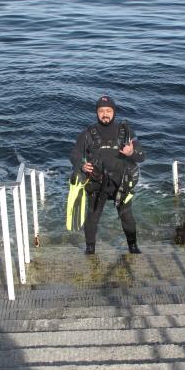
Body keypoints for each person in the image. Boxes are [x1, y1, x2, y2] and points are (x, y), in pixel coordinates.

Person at [70, 95, 145, 254]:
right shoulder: (87, 133)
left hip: (121, 183)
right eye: (101, 111)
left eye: (108, 110)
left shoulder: (126, 132)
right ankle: (90, 249)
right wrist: (81, 165)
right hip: (97, 183)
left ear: (114, 112)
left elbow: (142, 156)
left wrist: (132, 152)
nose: (105, 114)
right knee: (92, 217)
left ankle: (133, 246)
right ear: (97, 112)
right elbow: (75, 155)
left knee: (127, 216)